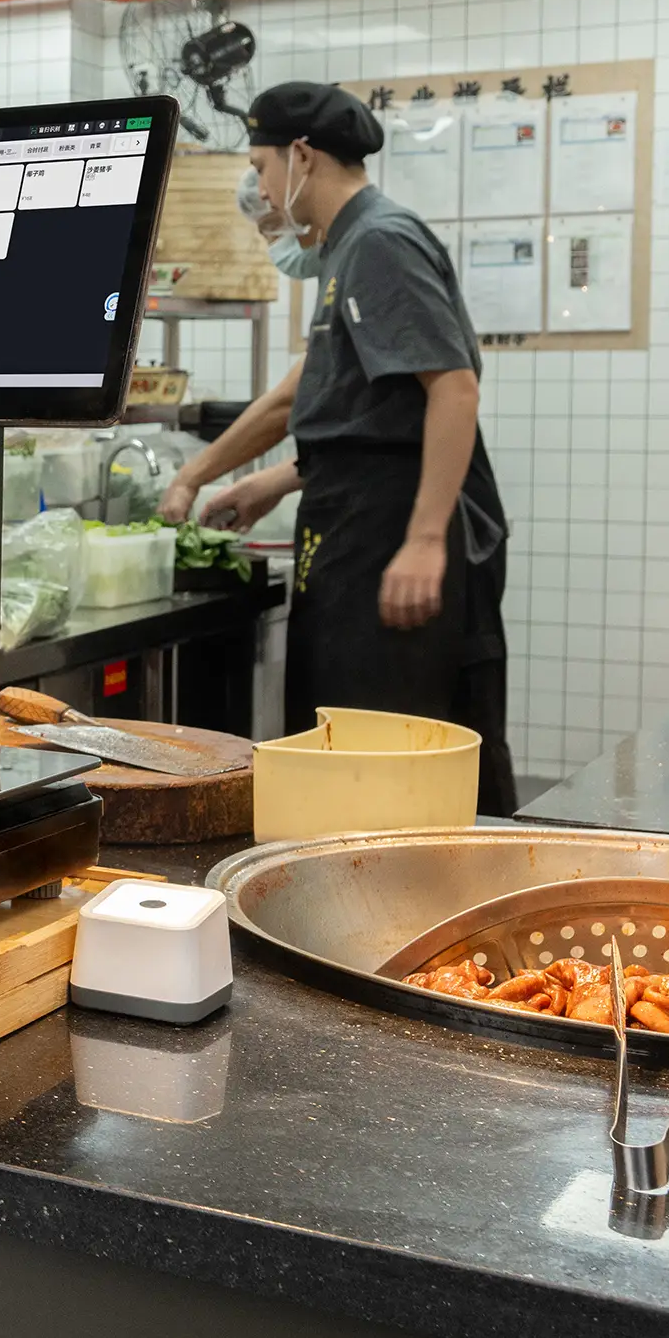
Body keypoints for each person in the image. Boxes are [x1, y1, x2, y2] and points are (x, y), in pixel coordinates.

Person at [155, 81, 516, 813]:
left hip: (391, 532)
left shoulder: (379, 239)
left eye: (261, 167)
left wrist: (422, 543)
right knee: (343, 734)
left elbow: (452, 388)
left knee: (387, 747)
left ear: (302, 155)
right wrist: (241, 478)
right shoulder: (346, 248)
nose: (259, 187)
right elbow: (313, 396)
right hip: (351, 520)